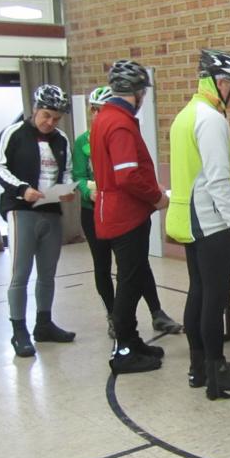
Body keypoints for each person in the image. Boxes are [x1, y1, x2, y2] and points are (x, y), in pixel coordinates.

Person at [166, 49, 230, 399]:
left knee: (199, 292)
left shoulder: (186, 114)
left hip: (188, 218)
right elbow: (219, 179)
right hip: (210, 221)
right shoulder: (211, 119)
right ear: (221, 83)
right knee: (214, 298)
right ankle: (217, 374)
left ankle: (199, 369)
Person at [73, 86, 183, 340]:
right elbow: (84, 175)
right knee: (106, 267)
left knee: (134, 267)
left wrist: (151, 189)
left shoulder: (118, 126)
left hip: (121, 208)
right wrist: (87, 191)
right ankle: (117, 322)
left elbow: (131, 170)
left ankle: (154, 313)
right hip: (99, 209)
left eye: (102, 109)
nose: (99, 114)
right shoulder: (96, 135)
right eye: (95, 110)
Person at [90, 59, 170, 374]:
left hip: (112, 210)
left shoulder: (104, 117)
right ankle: (124, 348)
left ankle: (132, 339)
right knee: (128, 281)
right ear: (138, 92)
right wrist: (156, 196)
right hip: (126, 214)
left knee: (132, 277)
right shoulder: (120, 123)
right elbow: (127, 176)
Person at [0, 85, 77, 357]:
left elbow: (67, 170)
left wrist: (67, 189)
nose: (50, 123)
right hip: (21, 210)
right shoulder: (14, 133)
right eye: (46, 116)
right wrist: (22, 189)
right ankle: (19, 331)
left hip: (50, 210)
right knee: (20, 273)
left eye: (56, 118)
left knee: (48, 273)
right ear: (35, 109)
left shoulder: (61, 139)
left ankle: (44, 324)